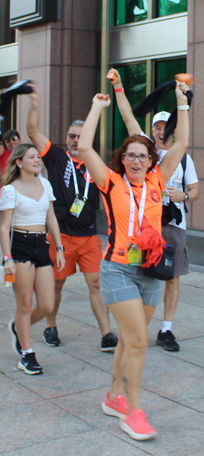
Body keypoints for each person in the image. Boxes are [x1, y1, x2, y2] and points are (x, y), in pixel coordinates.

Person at [78, 85, 189, 440]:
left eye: (143, 156)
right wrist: (97, 107)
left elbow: (182, 143)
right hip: (118, 269)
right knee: (139, 341)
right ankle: (134, 412)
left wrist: (183, 104)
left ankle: (113, 397)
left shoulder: (157, 178)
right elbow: (84, 147)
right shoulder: (110, 182)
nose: (138, 161)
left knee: (129, 341)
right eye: (131, 156)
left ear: (151, 160)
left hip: (151, 271)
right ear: (122, 160)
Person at [108, 68, 198, 352]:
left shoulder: (171, 163)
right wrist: (119, 88)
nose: (161, 131)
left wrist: (182, 103)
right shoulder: (145, 153)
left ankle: (164, 329)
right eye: (157, 127)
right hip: (134, 236)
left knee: (170, 278)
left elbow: (182, 142)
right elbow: (127, 117)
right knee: (134, 294)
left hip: (169, 229)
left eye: (165, 126)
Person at [26, 84, 118, 351]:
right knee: (56, 283)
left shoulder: (95, 162)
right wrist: (34, 103)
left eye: (80, 136)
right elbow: (32, 132)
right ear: (66, 138)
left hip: (89, 237)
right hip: (61, 235)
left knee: (96, 283)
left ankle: (107, 334)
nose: (76, 140)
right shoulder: (56, 157)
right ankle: (50, 327)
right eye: (72, 136)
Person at [0, 143, 65, 374]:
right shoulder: (11, 189)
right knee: (25, 304)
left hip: (42, 244)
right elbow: (4, 227)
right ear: (19, 162)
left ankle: (18, 327)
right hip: (20, 246)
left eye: (38, 157)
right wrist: (7, 258)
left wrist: (59, 247)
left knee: (47, 305)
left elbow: (52, 219)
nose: (38, 160)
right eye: (31, 157)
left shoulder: (45, 184)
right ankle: (27, 354)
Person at [0, 109, 21, 195]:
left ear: (19, 140)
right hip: (6, 192)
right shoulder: (4, 154)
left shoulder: (25, 153)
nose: (11, 142)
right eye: (8, 141)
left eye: (14, 139)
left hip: (21, 192)